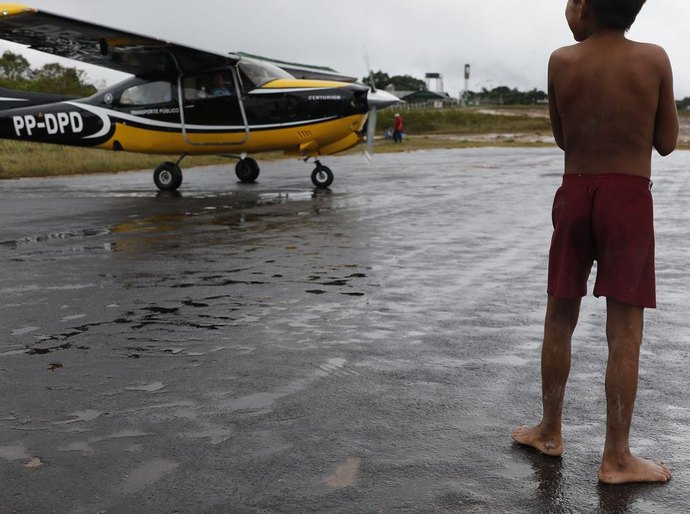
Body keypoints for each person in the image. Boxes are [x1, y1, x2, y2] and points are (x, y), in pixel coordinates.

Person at [511, 0, 678, 485]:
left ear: (584, 6)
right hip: (628, 199)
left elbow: (564, 138)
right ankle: (617, 457)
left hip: (576, 191)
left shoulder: (561, 60)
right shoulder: (654, 58)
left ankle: (550, 430)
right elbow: (666, 142)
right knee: (624, 332)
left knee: (559, 317)